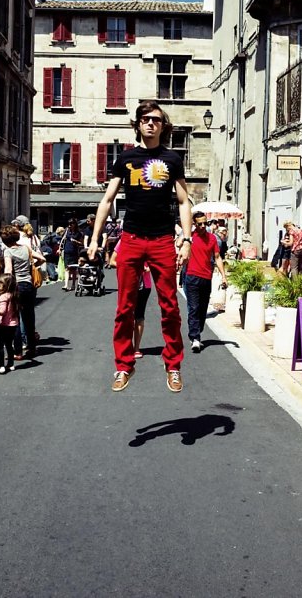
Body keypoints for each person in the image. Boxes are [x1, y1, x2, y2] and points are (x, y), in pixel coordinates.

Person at [87, 100, 192, 393]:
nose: (150, 123)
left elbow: (184, 201)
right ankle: (123, 365)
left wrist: (186, 239)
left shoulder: (172, 159)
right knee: (125, 307)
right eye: (145, 119)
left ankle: (173, 365)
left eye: (156, 119)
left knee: (170, 306)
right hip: (131, 239)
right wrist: (96, 238)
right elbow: (107, 200)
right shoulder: (126, 158)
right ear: (137, 124)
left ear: (163, 125)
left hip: (161, 241)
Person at [183, 211, 228, 353]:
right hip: (192, 277)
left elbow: (217, 257)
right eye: (199, 224)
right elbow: (178, 244)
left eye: (205, 223)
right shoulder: (189, 237)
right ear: (194, 224)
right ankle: (195, 338)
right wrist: (184, 239)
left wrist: (223, 276)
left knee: (202, 309)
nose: (203, 226)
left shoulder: (212, 239)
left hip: (206, 278)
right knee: (194, 308)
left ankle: (197, 331)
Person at [1, 224, 45, 360]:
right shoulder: (26, 248)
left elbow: (8, 270)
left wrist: (4, 285)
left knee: (15, 318)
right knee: (29, 318)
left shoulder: (8, 251)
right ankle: (32, 348)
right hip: (29, 285)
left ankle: (18, 351)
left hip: (16, 285)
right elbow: (43, 259)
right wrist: (32, 267)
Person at [0, 273, 20, 374]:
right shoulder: (14, 295)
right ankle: (10, 364)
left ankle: (1, 365)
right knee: (9, 345)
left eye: (0, 283)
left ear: (5, 285)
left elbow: (2, 311)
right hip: (13, 325)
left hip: (4, 325)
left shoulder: (3, 296)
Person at [61, 218, 83, 291]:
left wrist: (75, 241)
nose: (70, 225)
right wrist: (60, 249)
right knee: (67, 268)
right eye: (69, 224)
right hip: (67, 251)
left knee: (73, 270)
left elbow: (81, 243)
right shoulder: (67, 231)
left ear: (75, 224)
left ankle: (73, 284)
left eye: (71, 224)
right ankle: (66, 285)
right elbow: (62, 239)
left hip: (74, 252)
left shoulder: (78, 233)